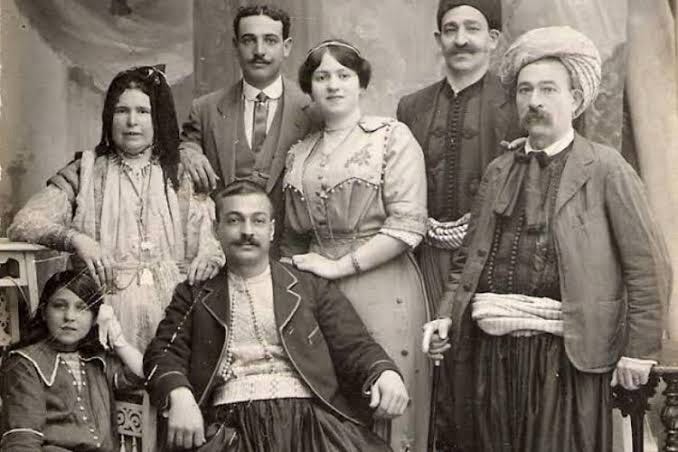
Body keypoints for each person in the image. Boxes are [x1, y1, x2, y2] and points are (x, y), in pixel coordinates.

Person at [422, 26, 672, 452]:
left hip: (568, 358)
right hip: (491, 358)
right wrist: (446, 314)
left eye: (548, 89)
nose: (534, 101)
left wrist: (639, 351)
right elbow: (468, 261)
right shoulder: (499, 170)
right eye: (525, 90)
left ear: (575, 99)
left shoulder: (605, 168)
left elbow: (648, 267)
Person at [143, 180, 409, 452]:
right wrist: (179, 393)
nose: (247, 231)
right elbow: (162, 353)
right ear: (216, 229)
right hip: (229, 428)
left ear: (271, 230)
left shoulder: (308, 285)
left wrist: (384, 371)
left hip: (311, 425)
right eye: (234, 220)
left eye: (258, 221)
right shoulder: (195, 293)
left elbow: (354, 344)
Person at [8, 66, 225, 353]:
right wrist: (78, 240)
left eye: (143, 111)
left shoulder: (180, 174)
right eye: (122, 111)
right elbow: (24, 222)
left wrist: (209, 257)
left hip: (173, 313)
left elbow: (211, 243)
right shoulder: (86, 172)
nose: (132, 121)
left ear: (157, 118)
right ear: (109, 116)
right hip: (102, 316)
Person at [282, 39, 429, 452]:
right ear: (309, 88)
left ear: (361, 83)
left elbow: (408, 225)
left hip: (382, 284)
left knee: (384, 396)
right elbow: (291, 237)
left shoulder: (391, 137)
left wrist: (339, 266)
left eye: (343, 75)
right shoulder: (299, 153)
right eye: (322, 76)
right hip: (315, 290)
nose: (333, 85)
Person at [396, 2, 519, 448]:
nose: (461, 39)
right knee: (434, 374)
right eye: (450, 30)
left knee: (486, 385)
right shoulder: (411, 107)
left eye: (472, 28)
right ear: (438, 40)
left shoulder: (516, 103)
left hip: (495, 263)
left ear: (494, 38)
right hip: (426, 261)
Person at [179, 4, 315, 252]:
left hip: (290, 255)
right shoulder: (205, 109)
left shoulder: (312, 111)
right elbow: (185, 145)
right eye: (249, 40)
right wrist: (188, 152)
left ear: (286, 47)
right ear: (235, 46)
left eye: (270, 40)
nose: (259, 51)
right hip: (224, 255)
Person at [0, 270, 144, 452]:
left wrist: (118, 339)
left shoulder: (96, 361)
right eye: (59, 306)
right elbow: (22, 440)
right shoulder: (24, 363)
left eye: (82, 308)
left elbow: (143, 373)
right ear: (43, 312)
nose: (70, 316)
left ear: (94, 318)